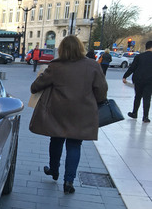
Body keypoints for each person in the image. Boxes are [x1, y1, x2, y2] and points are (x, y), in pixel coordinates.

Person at [29, 35, 108, 194]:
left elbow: (35, 87)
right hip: (82, 113)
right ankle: (69, 181)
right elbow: (101, 91)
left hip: (58, 111)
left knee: (56, 139)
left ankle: (54, 169)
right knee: (74, 145)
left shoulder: (56, 66)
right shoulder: (93, 66)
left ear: (62, 49)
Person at [122, 40, 152, 123]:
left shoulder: (139, 56)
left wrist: (125, 76)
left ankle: (134, 113)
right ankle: (145, 117)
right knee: (147, 98)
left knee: (137, 97)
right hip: (150, 81)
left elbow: (132, 68)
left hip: (138, 80)